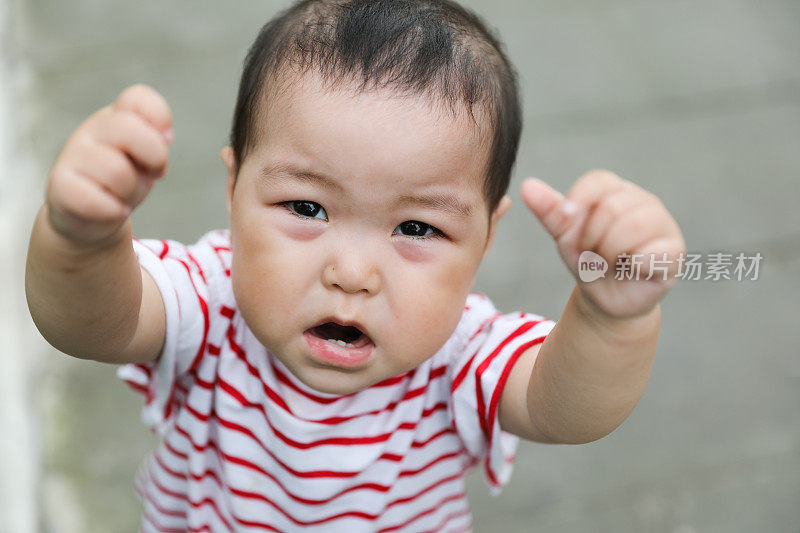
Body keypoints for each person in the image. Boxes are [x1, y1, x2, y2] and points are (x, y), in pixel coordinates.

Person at [25, 0, 686, 530]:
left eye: (417, 227)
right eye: (307, 207)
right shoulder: (210, 297)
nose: (351, 270)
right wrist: (81, 241)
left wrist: (610, 316)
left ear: (485, 240)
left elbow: (564, 408)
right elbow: (91, 324)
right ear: (234, 192)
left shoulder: (462, 353)